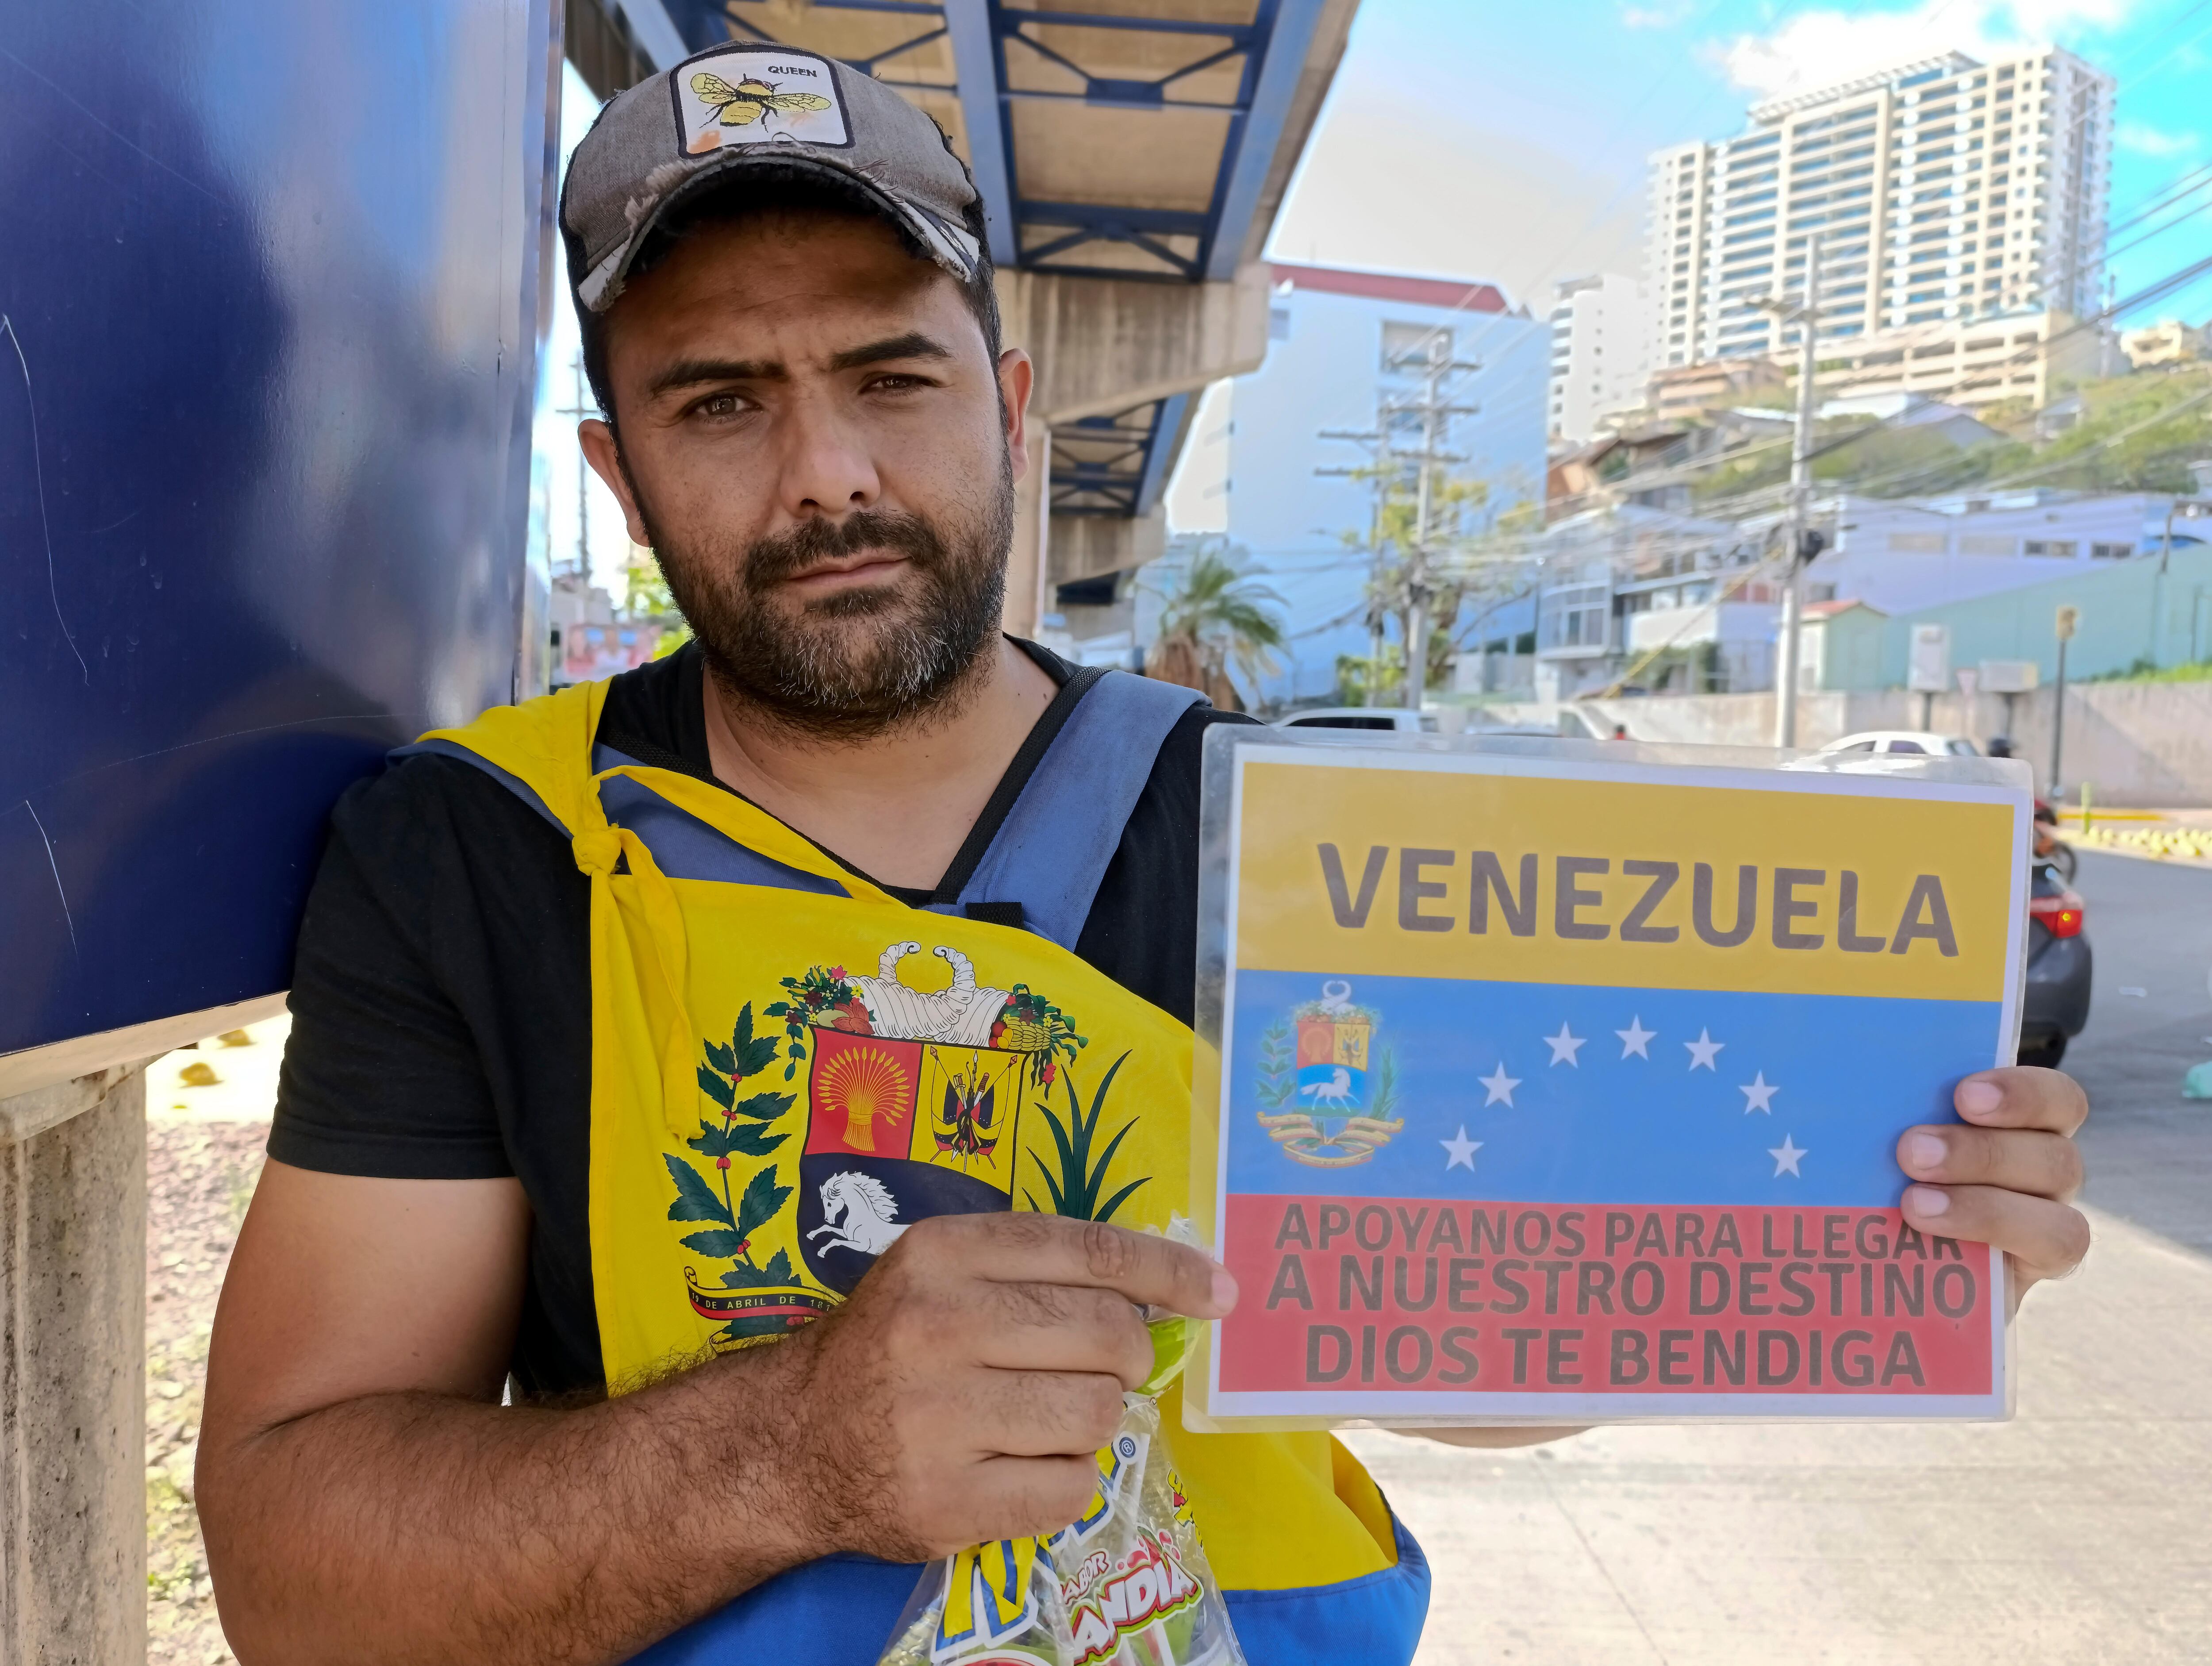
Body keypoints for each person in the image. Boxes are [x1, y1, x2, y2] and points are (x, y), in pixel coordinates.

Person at [196, 46, 2095, 1666]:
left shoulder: (1287, 841)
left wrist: (1863, 1243)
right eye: (720, 403)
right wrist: (794, 1448)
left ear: (1013, 408)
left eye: (891, 376)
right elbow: (294, 1569)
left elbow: (1469, 1345)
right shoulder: (473, 849)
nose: (826, 476)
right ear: (616, 478)